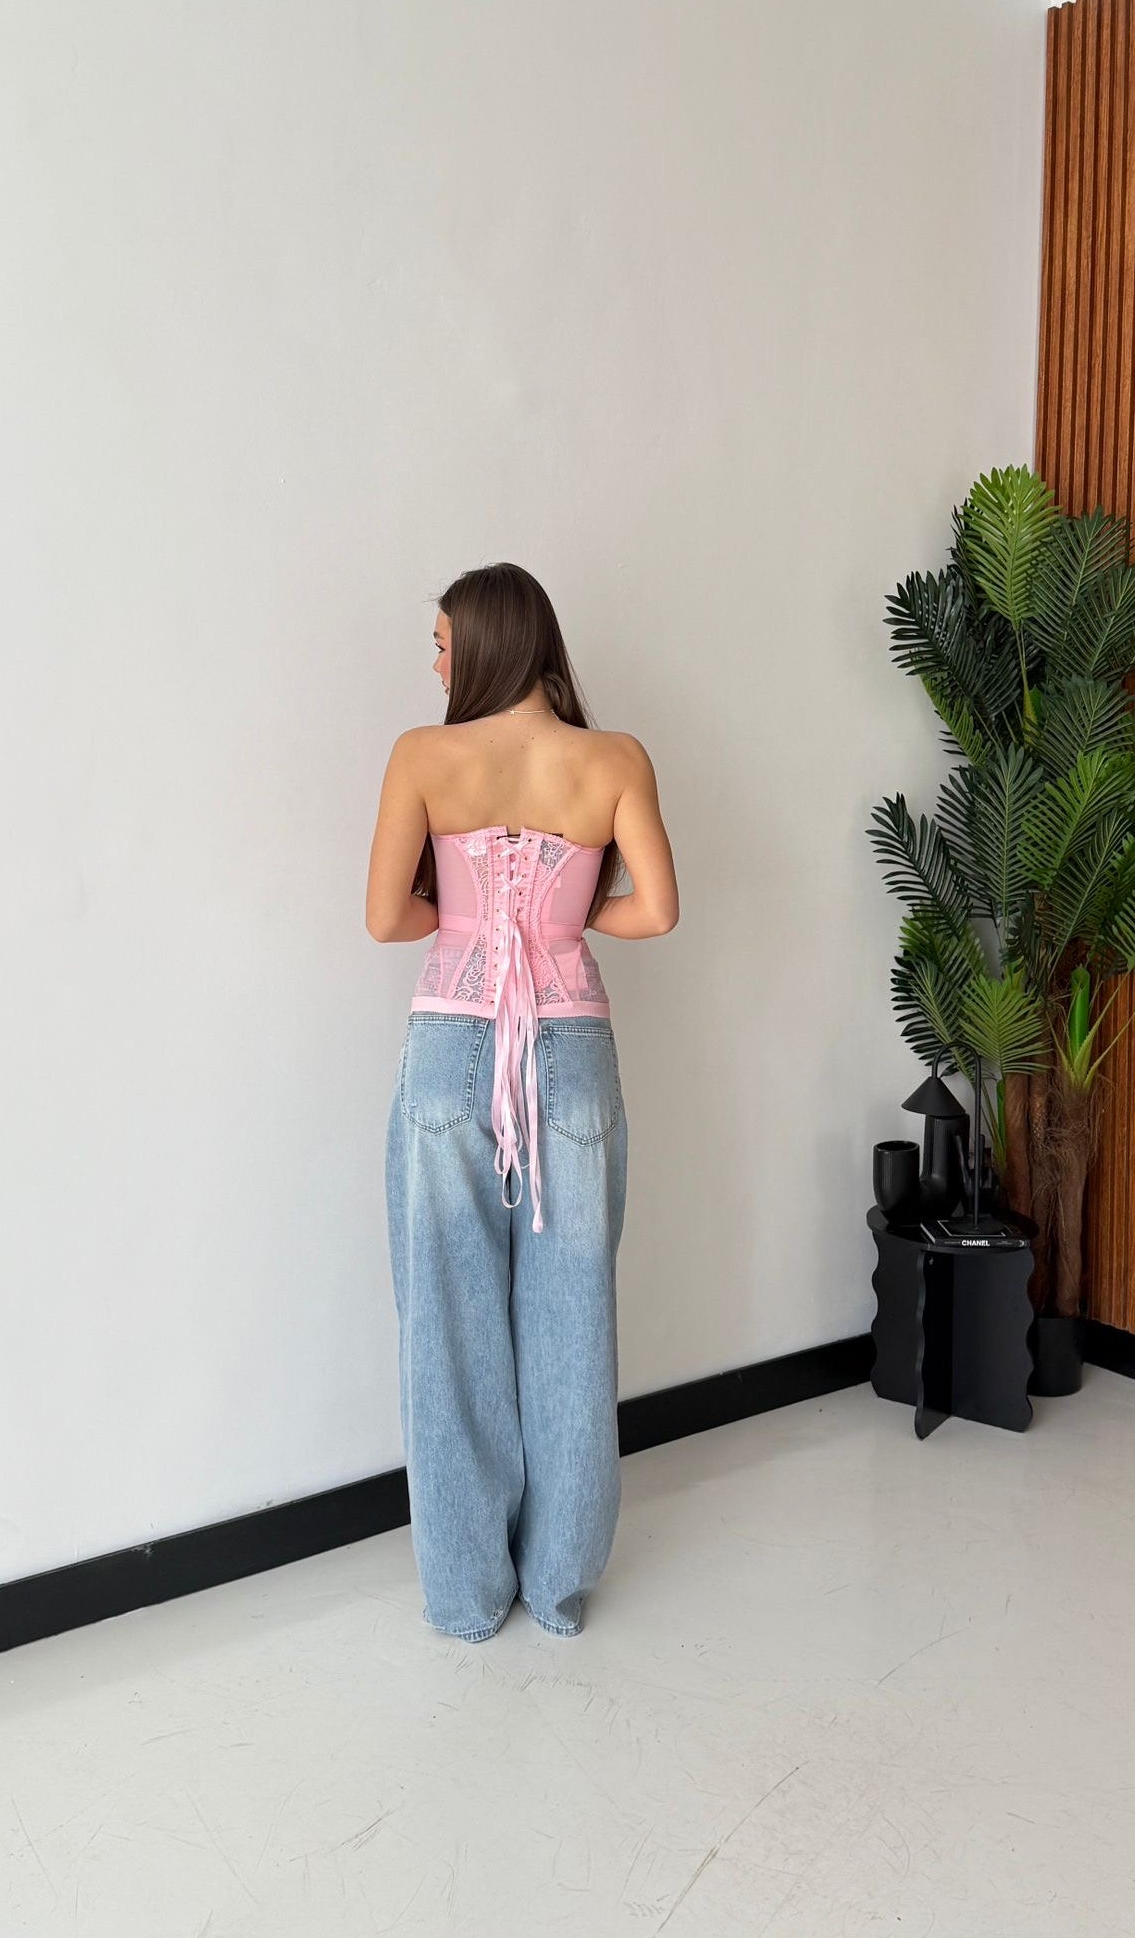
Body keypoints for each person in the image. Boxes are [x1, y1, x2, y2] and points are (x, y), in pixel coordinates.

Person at [366, 562, 679, 1642]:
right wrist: (559, 922)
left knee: (446, 1322)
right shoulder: (614, 759)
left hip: (449, 1043)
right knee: (571, 1311)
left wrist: (468, 925)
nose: (435, 664)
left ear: (487, 644)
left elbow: (385, 918)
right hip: (572, 1045)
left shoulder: (423, 756)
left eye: (443, 644)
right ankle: (557, 1585)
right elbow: (655, 910)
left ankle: (464, 1595)